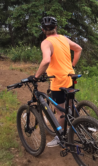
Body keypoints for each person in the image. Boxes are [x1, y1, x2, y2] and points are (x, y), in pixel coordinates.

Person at [28, 16, 82, 147]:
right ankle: (76, 125)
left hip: (58, 81)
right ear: (55, 28)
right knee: (69, 105)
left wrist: (36, 76)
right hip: (70, 77)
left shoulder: (46, 42)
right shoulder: (64, 38)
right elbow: (79, 49)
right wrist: (72, 66)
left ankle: (60, 137)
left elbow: (46, 60)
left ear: (43, 30)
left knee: (60, 111)